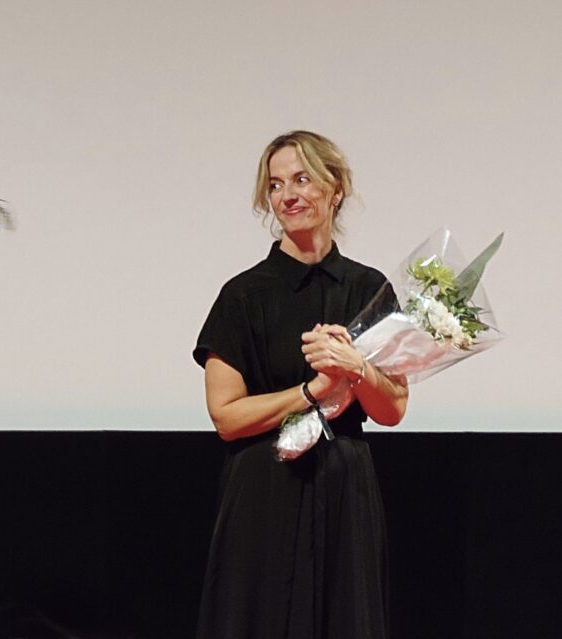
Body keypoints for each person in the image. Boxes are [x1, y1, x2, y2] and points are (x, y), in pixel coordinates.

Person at [193, 131, 408, 639]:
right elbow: (225, 418)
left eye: (302, 179)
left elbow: (393, 409)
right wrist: (312, 392)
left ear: (336, 189)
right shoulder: (243, 295)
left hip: (344, 489)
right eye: (275, 185)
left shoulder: (368, 288)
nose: (287, 195)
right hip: (265, 486)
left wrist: (356, 368)